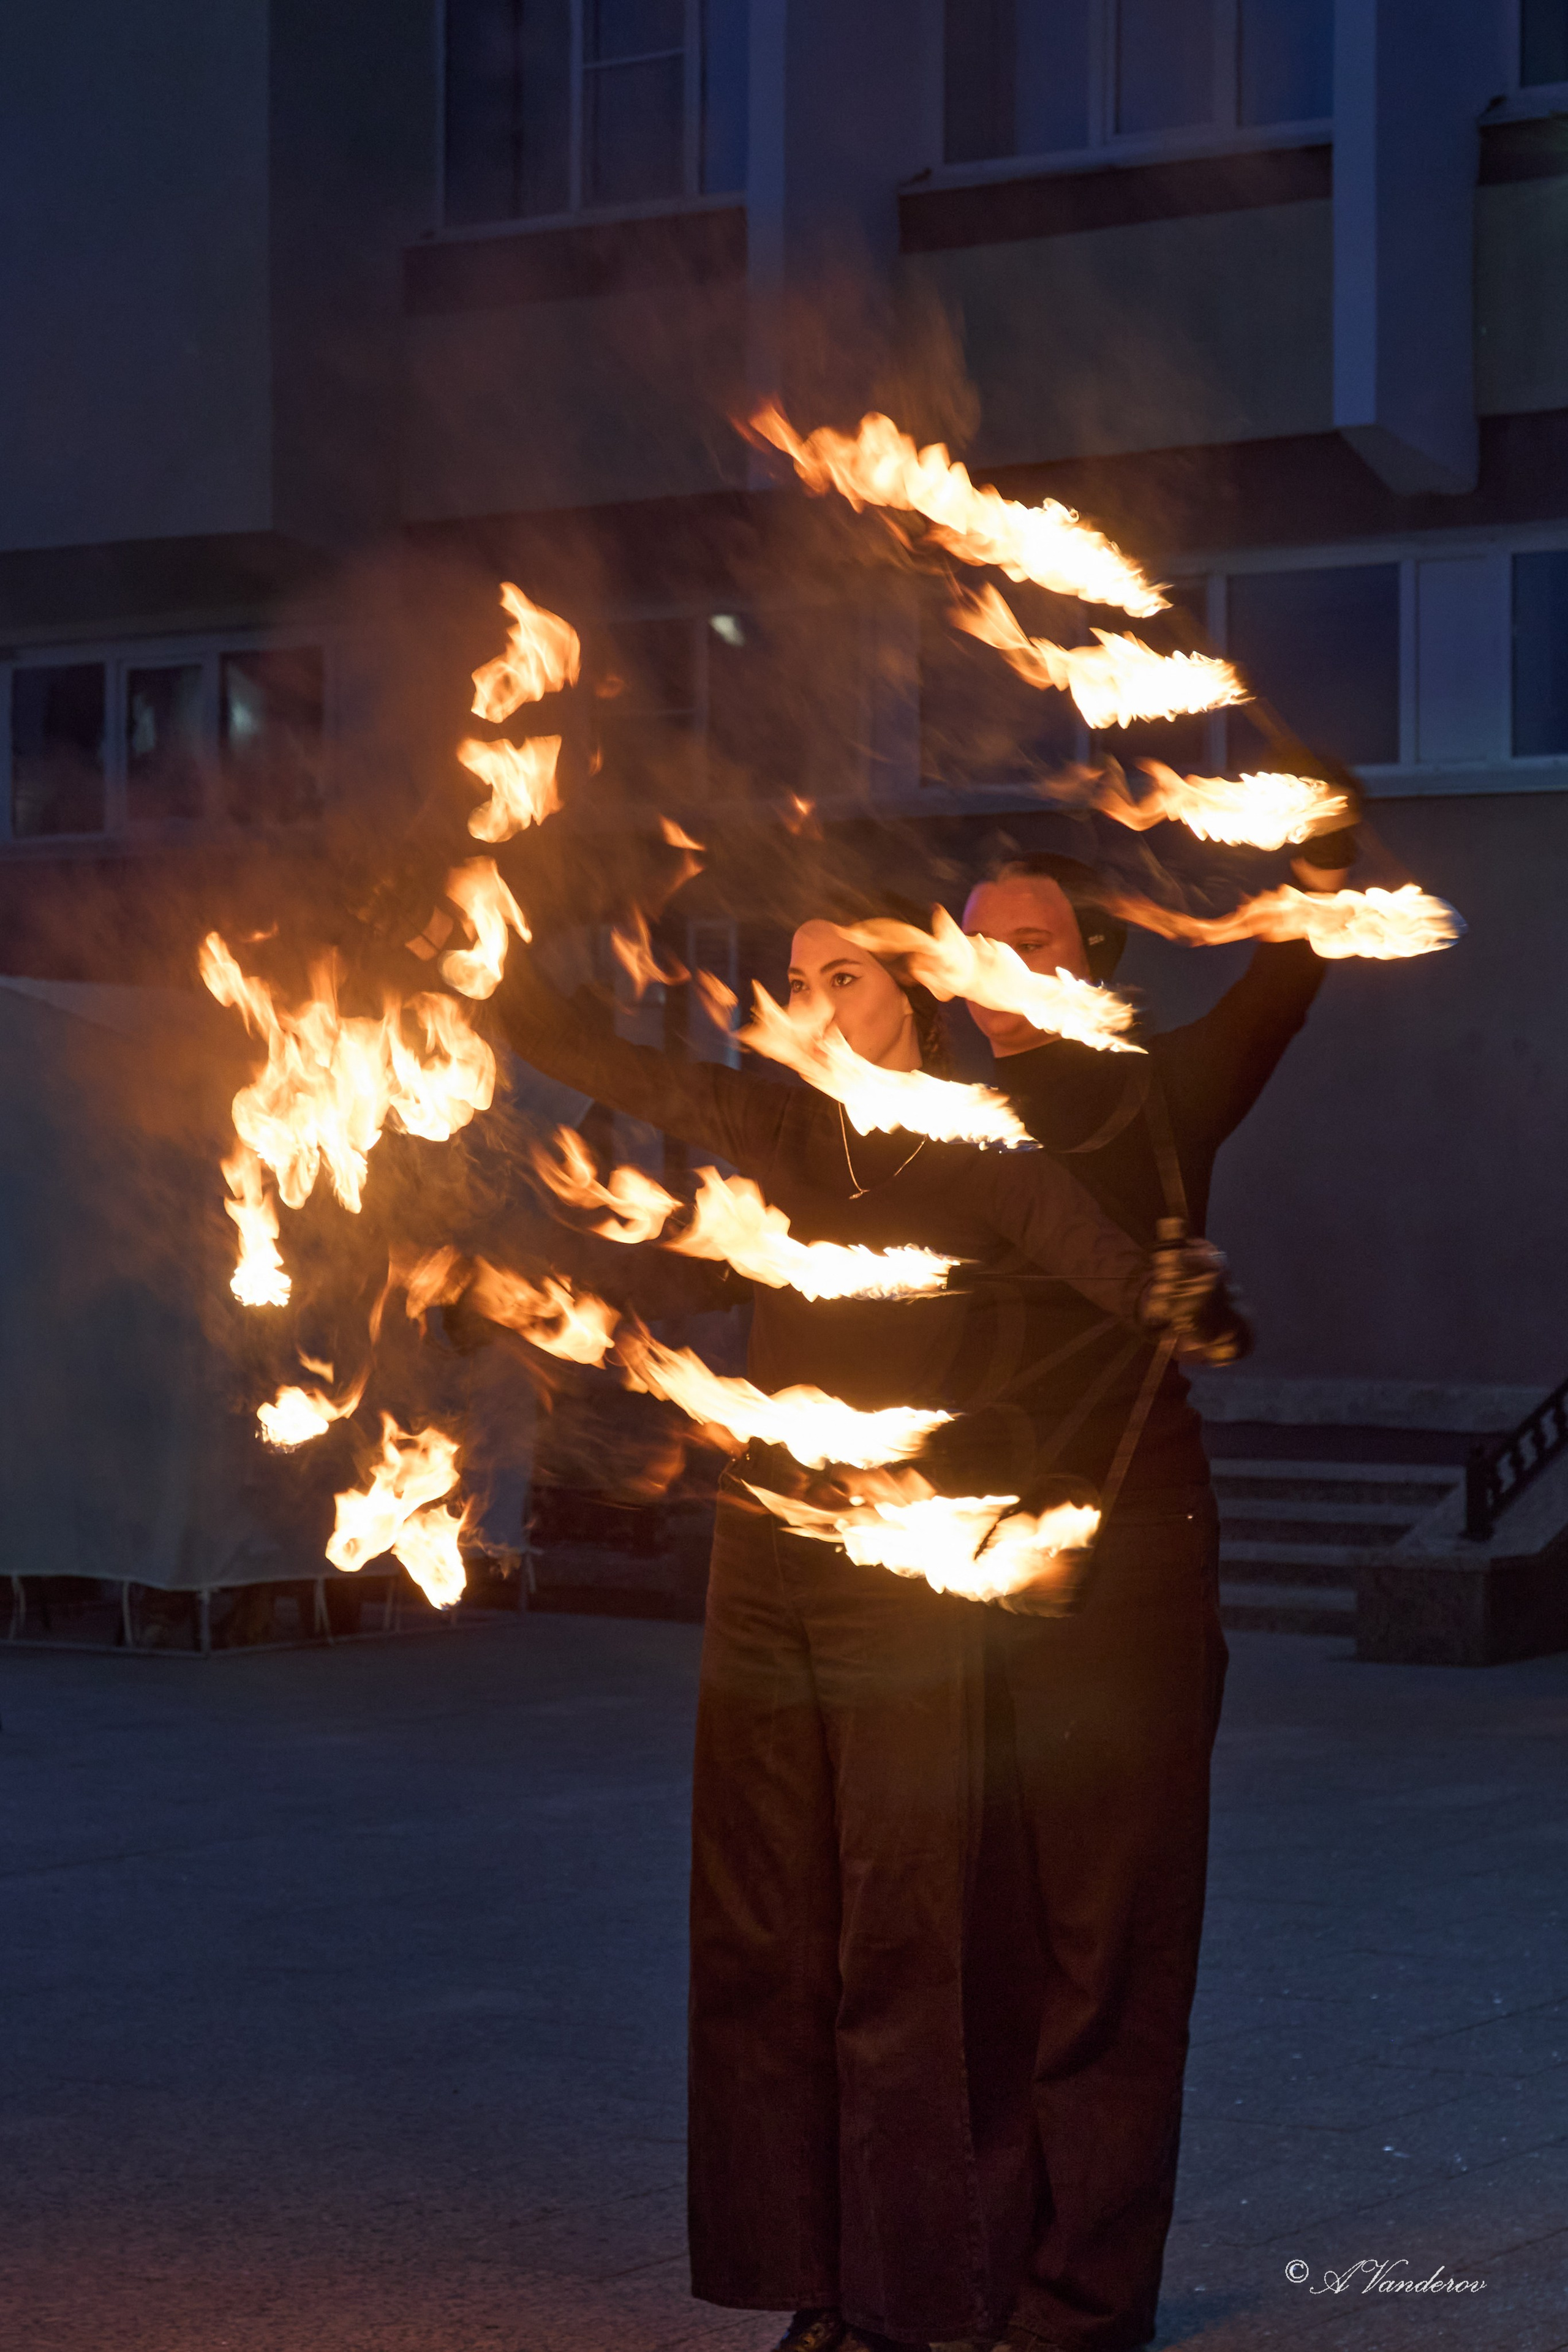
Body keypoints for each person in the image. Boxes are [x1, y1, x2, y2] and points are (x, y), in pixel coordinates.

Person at [487, 895, 1241, 2352]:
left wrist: (1175, 1302)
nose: (814, 1001)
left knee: (900, 1941)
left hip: (904, 1578)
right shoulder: (766, 1127)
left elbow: (1095, 1257)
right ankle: (818, 2286)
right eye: (794, 976)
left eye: (843, 975)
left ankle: (919, 2292)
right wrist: (474, 939)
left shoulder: (975, 1141)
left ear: (915, 989)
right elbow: (586, 1070)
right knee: (766, 1930)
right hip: (763, 1570)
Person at [956, 837, 1351, 2352]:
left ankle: (1083, 2296)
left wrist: (1317, 863)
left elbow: (1284, 981)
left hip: (1125, 1555)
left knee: (1104, 1936)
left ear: (1091, 966)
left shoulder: (1156, 1092)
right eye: (977, 944)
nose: (1002, 969)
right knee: (977, 1933)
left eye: (1037, 942)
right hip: (947, 1568)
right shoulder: (917, 1117)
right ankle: (980, 2264)